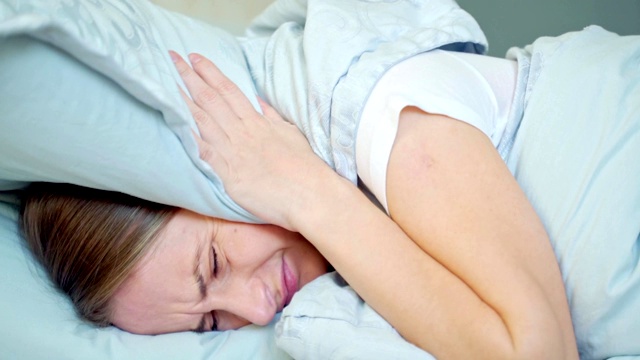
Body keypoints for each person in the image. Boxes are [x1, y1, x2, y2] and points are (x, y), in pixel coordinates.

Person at [20, 27, 640, 359]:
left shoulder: (373, 113)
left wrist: (306, 191)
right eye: (212, 323)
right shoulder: (345, 281)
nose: (257, 312)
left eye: (214, 265)